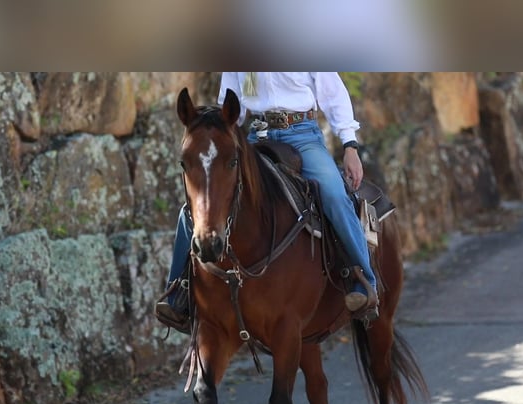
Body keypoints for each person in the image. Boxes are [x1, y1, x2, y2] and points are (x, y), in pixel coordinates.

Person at [156, 72, 378, 329]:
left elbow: (333, 94)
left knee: (334, 195)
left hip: (302, 135)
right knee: (197, 206)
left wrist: (350, 145)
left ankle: (363, 281)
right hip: (255, 136)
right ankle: (177, 293)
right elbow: (232, 107)